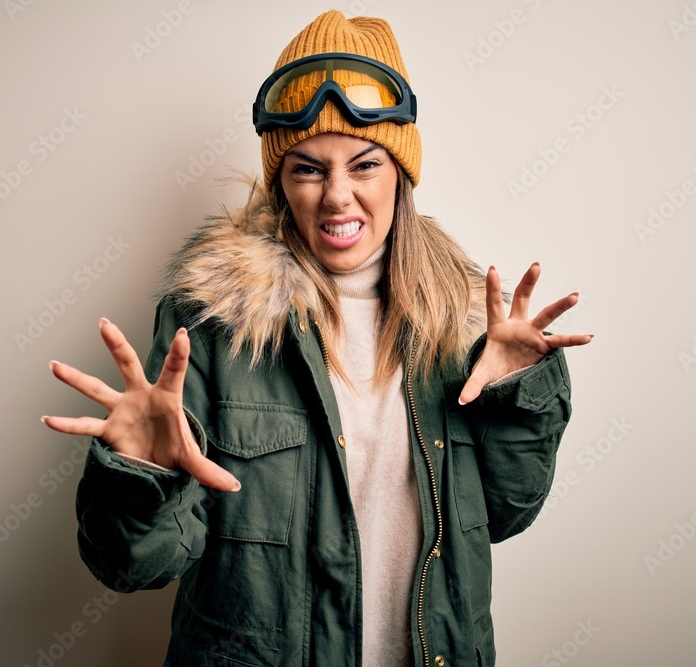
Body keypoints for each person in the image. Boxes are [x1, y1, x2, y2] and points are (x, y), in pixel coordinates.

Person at [42, 9, 592, 666]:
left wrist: (515, 394)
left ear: (400, 173)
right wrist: (143, 473)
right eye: (307, 168)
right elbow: (137, 564)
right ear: (281, 179)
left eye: (363, 164)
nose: (337, 196)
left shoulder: (464, 327)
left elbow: (507, 513)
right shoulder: (212, 326)